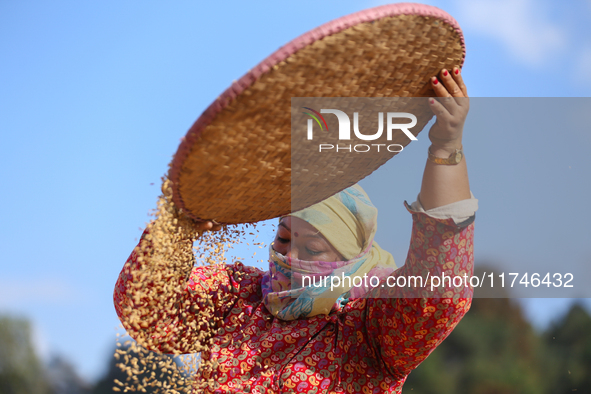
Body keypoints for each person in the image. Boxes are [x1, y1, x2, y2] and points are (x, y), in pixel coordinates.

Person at [114, 68, 477, 393]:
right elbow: (147, 312)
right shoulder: (237, 299)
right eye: (284, 239)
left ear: (349, 258)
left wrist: (446, 148)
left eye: (313, 249)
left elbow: (440, 291)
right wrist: (177, 226)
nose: (289, 257)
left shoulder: (369, 332)